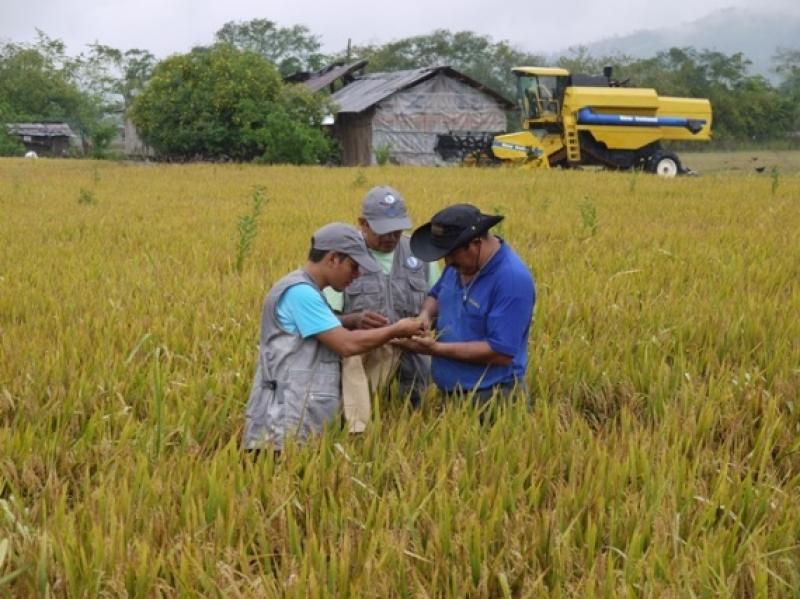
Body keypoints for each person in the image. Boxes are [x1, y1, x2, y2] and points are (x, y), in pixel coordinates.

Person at [243, 222, 424, 451]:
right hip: (282, 428)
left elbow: (313, 330)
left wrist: (352, 320)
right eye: (353, 266)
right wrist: (396, 330)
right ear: (332, 259)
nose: (357, 275)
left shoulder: (309, 291)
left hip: (298, 422)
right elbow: (346, 344)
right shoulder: (301, 293)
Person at [323, 187, 440, 431]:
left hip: (413, 366)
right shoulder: (344, 258)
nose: (391, 236)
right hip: (363, 364)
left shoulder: (419, 255)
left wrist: (425, 318)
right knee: (358, 429)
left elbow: (437, 298)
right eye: (383, 230)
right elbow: (326, 318)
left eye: (397, 229)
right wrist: (354, 320)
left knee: (411, 430)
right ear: (363, 224)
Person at [398, 203, 536, 404]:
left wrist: (435, 349)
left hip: (493, 397)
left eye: (452, 254)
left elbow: (500, 352)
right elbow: (436, 294)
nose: (447, 263)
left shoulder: (511, 280)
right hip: (452, 392)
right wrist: (424, 317)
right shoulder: (459, 266)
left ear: (475, 243)